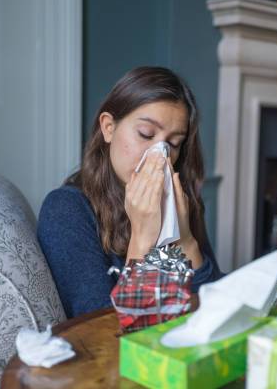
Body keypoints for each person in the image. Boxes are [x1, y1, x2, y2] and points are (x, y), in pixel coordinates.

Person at [37, 67, 223, 318]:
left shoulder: (180, 200)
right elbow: (101, 333)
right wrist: (142, 237)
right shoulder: (66, 210)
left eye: (173, 143)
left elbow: (220, 308)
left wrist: (186, 240)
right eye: (146, 134)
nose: (159, 154)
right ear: (108, 127)